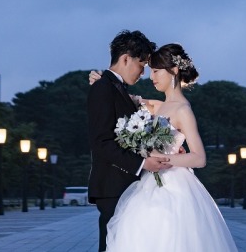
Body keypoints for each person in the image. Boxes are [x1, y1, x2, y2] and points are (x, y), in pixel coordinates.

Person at [90, 43, 237, 252]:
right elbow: (120, 96)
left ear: (174, 70)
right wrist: (100, 81)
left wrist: (161, 159)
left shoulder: (183, 110)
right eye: (150, 70)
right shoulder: (158, 105)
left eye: (156, 71)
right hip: (147, 183)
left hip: (172, 185)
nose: (151, 77)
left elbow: (199, 157)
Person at [87, 30, 172, 252]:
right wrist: (142, 163)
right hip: (112, 185)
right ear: (126, 58)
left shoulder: (114, 88)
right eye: (141, 65)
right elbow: (101, 142)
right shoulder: (103, 88)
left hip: (123, 185)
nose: (143, 73)